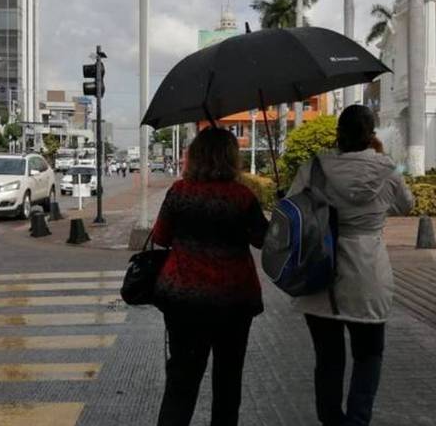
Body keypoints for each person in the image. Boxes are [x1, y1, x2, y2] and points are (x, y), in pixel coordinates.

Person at [287, 105, 414, 426]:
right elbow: (406, 205)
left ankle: (331, 421)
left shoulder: (314, 167)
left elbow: (291, 208)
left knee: (328, 361)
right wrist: (384, 160)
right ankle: (357, 421)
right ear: (371, 135)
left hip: (320, 275)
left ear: (338, 134)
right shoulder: (387, 168)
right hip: (368, 275)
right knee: (368, 356)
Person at [152, 127, 269, 426]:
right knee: (228, 383)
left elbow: (161, 237)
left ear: (196, 157)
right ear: (231, 157)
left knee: (181, 382)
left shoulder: (179, 193)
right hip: (233, 300)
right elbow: (262, 239)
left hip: (184, 299)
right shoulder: (242, 196)